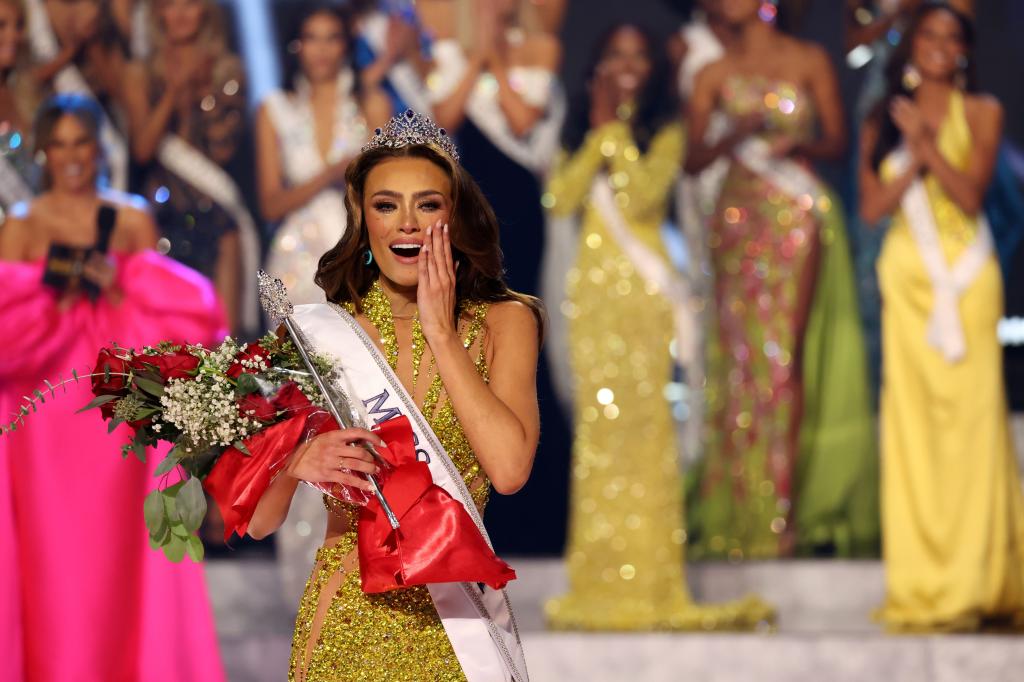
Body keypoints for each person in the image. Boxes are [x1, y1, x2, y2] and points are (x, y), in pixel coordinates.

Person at [246, 110, 535, 681]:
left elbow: (507, 470)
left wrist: (443, 334)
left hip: (458, 627)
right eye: (386, 205)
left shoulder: (504, 321)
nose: (406, 223)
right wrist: (297, 460)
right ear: (362, 218)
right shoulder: (318, 335)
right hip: (345, 621)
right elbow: (258, 520)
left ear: (452, 216)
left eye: (427, 204)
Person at [543, 23, 772, 631]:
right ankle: (597, 578)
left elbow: (643, 198)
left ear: (652, 69)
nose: (626, 66)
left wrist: (613, 132)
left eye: (637, 56)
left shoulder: (666, 131)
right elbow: (560, 200)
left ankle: (649, 580)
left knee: (644, 435)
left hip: (642, 298)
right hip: (591, 297)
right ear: (596, 67)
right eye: (614, 54)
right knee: (599, 438)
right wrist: (595, 132)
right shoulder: (580, 130)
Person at [0, 93, 225, 681]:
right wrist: (55, 296)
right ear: (44, 150)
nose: (73, 156)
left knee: (119, 552)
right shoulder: (20, 228)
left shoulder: (128, 220)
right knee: (54, 556)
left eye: (84, 143)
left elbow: (168, 316)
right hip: (44, 418)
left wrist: (115, 288)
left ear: (99, 147)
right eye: (62, 144)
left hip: (114, 410)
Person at [684, 0, 877, 559]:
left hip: (794, 213)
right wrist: (732, 134)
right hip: (737, 215)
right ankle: (738, 507)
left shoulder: (810, 58)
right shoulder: (711, 74)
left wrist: (799, 145)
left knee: (783, 357)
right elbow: (693, 160)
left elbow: (837, 142)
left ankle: (783, 511)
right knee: (739, 360)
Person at [860, 1, 1024, 631]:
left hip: (966, 278)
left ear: (963, 51)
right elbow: (873, 207)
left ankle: (976, 581)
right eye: (928, 33)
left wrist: (927, 147)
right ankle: (925, 581)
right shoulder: (884, 116)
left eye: (950, 36)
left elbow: (970, 193)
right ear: (912, 44)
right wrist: (910, 151)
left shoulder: (984, 112)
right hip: (908, 285)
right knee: (915, 432)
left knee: (974, 427)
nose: (938, 43)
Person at [257, 0, 390, 606]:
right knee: (298, 418)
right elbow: (271, 199)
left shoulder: (373, 107)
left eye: (332, 37)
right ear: (296, 47)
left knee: (358, 411)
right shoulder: (273, 110)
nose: (321, 49)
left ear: (345, 44)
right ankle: (300, 587)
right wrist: (334, 171)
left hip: (350, 267)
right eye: (310, 38)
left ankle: (358, 576)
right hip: (290, 271)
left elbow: (385, 196)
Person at [121, 0, 261, 334]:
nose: (181, 14)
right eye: (171, 5)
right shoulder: (138, 73)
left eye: (191, 3)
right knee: (167, 338)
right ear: (157, 12)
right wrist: (175, 92)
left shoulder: (227, 69)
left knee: (224, 341)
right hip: (161, 216)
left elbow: (223, 151)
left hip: (215, 212)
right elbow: (142, 149)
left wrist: (202, 96)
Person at [0, 0, 41, 214]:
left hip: (42, 230)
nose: (14, 36)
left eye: (18, 25)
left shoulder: (25, 90)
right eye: (1, 26)